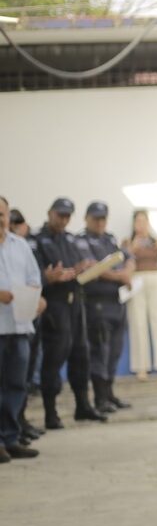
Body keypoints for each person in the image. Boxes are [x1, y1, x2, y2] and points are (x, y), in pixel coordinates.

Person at [34, 197, 105, 427]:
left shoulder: (70, 239)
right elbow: (32, 276)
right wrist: (48, 278)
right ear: (49, 213)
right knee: (55, 357)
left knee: (80, 355)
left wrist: (82, 269)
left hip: (75, 302)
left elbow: (75, 267)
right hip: (54, 303)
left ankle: (82, 405)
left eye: (67, 216)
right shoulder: (37, 241)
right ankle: (50, 412)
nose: (63, 220)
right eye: (60, 215)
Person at [0, 196, 44, 462]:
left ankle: (11, 438)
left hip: (20, 326)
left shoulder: (21, 246)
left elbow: (33, 279)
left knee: (17, 385)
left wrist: (36, 299)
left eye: (2, 213)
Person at [80, 202, 133, 413]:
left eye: (103, 218)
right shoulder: (81, 241)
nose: (100, 222)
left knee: (115, 350)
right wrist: (120, 276)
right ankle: (100, 398)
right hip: (97, 303)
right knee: (100, 351)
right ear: (87, 219)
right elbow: (94, 268)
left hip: (116, 301)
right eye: (96, 219)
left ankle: (109, 394)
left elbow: (128, 257)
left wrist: (128, 270)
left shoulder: (109, 239)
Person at [124, 209, 157, 380]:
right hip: (136, 279)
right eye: (138, 221)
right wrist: (132, 248)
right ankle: (141, 367)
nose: (141, 225)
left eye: (144, 221)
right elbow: (121, 260)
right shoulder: (128, 242)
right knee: (138, 322)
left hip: (155, 278)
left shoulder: (155, 241)